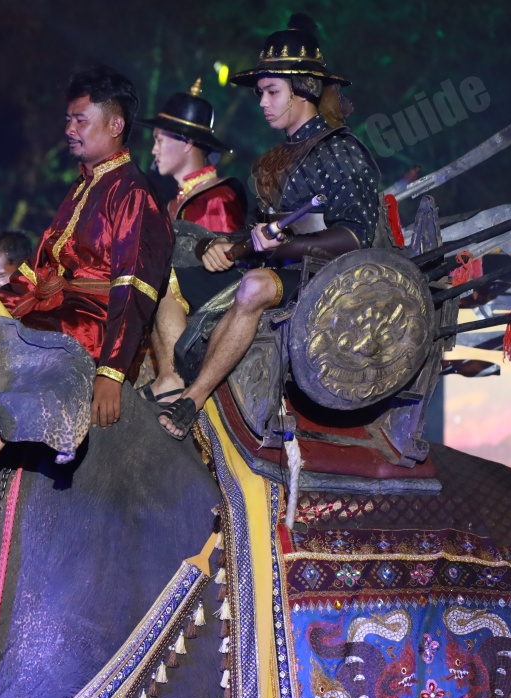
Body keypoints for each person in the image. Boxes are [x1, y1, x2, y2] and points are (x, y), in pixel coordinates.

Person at [156, 15, 380, 440]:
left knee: (255, 285)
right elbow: (257, 232)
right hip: (269, 267)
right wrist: (219, 246)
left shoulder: (340, 150)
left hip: (318, 280)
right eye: (260, 92)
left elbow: (355, 236)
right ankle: (169, 379)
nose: (262, 101)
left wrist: (283, 246)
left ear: (304, 90)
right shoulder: (274, 158)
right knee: (164, 279)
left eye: (272, 91)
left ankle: (193, 400)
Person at [0, 64, 173, 428]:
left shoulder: (133, 193)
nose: (69, 129)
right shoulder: (83, 186)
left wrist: (110, 372)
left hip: (90, 328)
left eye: (79, 120)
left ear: (115, 125)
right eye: (68, 120)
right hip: (54, 314)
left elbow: (133, 288)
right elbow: (39, 269)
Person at [139, 80, 248, 401]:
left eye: (160, 140)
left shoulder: (219, 196)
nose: (154, 150)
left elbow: (224, 265)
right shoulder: (173, 202)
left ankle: (173, 378)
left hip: (216, 299)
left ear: (187, 143)